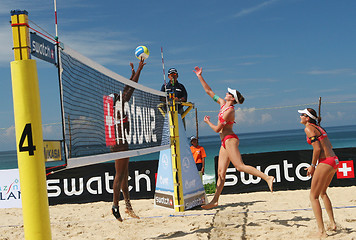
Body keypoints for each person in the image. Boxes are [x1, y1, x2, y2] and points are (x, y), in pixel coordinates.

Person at [193, 66, 274, 210]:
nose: (226, 93)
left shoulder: (229, 111)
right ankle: (215, 201)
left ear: (232, 98)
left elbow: (217, 129)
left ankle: (267, 177)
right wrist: (199, 76)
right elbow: (209, 91)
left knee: (239, 166)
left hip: (230, 139)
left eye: (229, 93)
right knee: (220, 173)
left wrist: (207, 122)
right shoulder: (222, 104)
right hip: (224, 141)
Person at [111, 58, 146, 221]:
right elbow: (131, 89)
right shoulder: (121, 105)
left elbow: (127, 87)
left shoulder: (118, 104)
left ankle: (128, 207)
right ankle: (115, 206)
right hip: (120, 144)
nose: (121, 94)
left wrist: (132, 73)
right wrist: (139, 69)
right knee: (119, 175)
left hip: (119, 143)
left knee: (125, 174)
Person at [298, 108, 339, 238]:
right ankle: (332, 223)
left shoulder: (309, 128)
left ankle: (322, 231)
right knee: (322, 193)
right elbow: (329, 146)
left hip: (326, 161)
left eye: (302, 115)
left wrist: (312, 165)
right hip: (334, 160)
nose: (300, 116)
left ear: (307, 118)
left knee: (313, 196)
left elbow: (317, 149)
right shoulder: (320, 128)